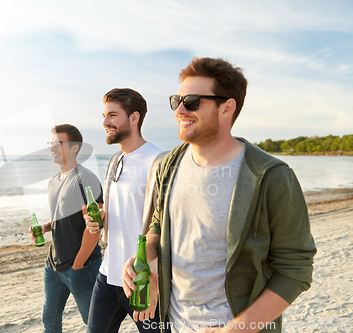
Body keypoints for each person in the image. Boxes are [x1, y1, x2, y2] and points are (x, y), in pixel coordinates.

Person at [122, 57, 316, 333]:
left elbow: (295, 269)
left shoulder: (271, 177)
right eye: (175, 100)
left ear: (227, 108)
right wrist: (146, 255)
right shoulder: (169, 165)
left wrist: (236, 329)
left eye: (191, 101)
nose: (179, 109)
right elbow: (159, 221)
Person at [85, 88, 170, 333]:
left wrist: (154, 279)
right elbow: (123, 208)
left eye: (112, 115)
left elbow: (167, 224)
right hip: (107, 274)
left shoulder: (158, 161)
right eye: (104, 116)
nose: (104, 122)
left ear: (134, 118)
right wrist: (101, 219)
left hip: (142, 279)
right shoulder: (115, 160)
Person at [29, 124, 103, 333]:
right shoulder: (53, 182)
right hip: (53, 265)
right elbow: (65, 216)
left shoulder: (85, 179)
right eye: (50, 143)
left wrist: (78, 264)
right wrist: (47, 227)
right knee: (49, 322)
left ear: (74, 148)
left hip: (82, 267)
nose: (52, 148)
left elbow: (95, 226)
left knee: (94, 324)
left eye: (57, 143)